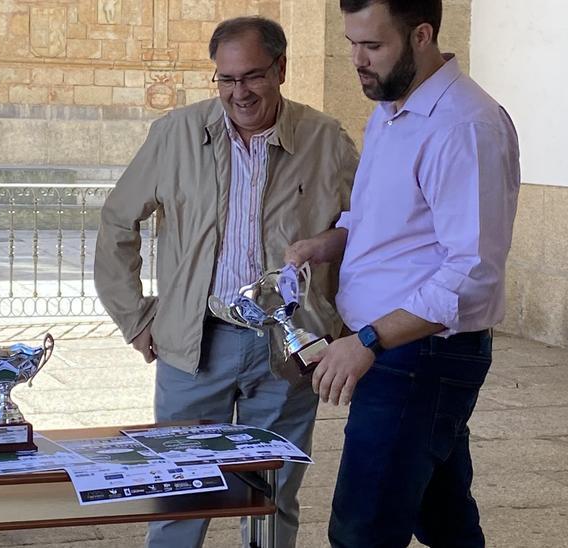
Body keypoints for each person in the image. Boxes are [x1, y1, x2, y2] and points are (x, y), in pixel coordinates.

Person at [95, 16, 358, 548]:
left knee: (274, 498)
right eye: (226, 79)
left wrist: (342, 327)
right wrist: (136, 317)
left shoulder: (325, 138)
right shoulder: (174, 134)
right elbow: (118, 222)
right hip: (195, 346)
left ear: (281, 69)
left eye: (253, 77)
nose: (239, 93)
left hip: (287, 351)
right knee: (179, 496)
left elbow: (367, 232)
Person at [284, 1, 520, 546]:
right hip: (400, 354)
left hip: (420, 356)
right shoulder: (393, 106)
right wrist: (327, 243)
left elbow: (473, 271)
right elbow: (387, 222)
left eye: (372, 46)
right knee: (443, 522)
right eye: (350, 43)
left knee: (362, 529)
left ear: (421, 35)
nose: (357, 60)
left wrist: (367, 339)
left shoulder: (466, 125)